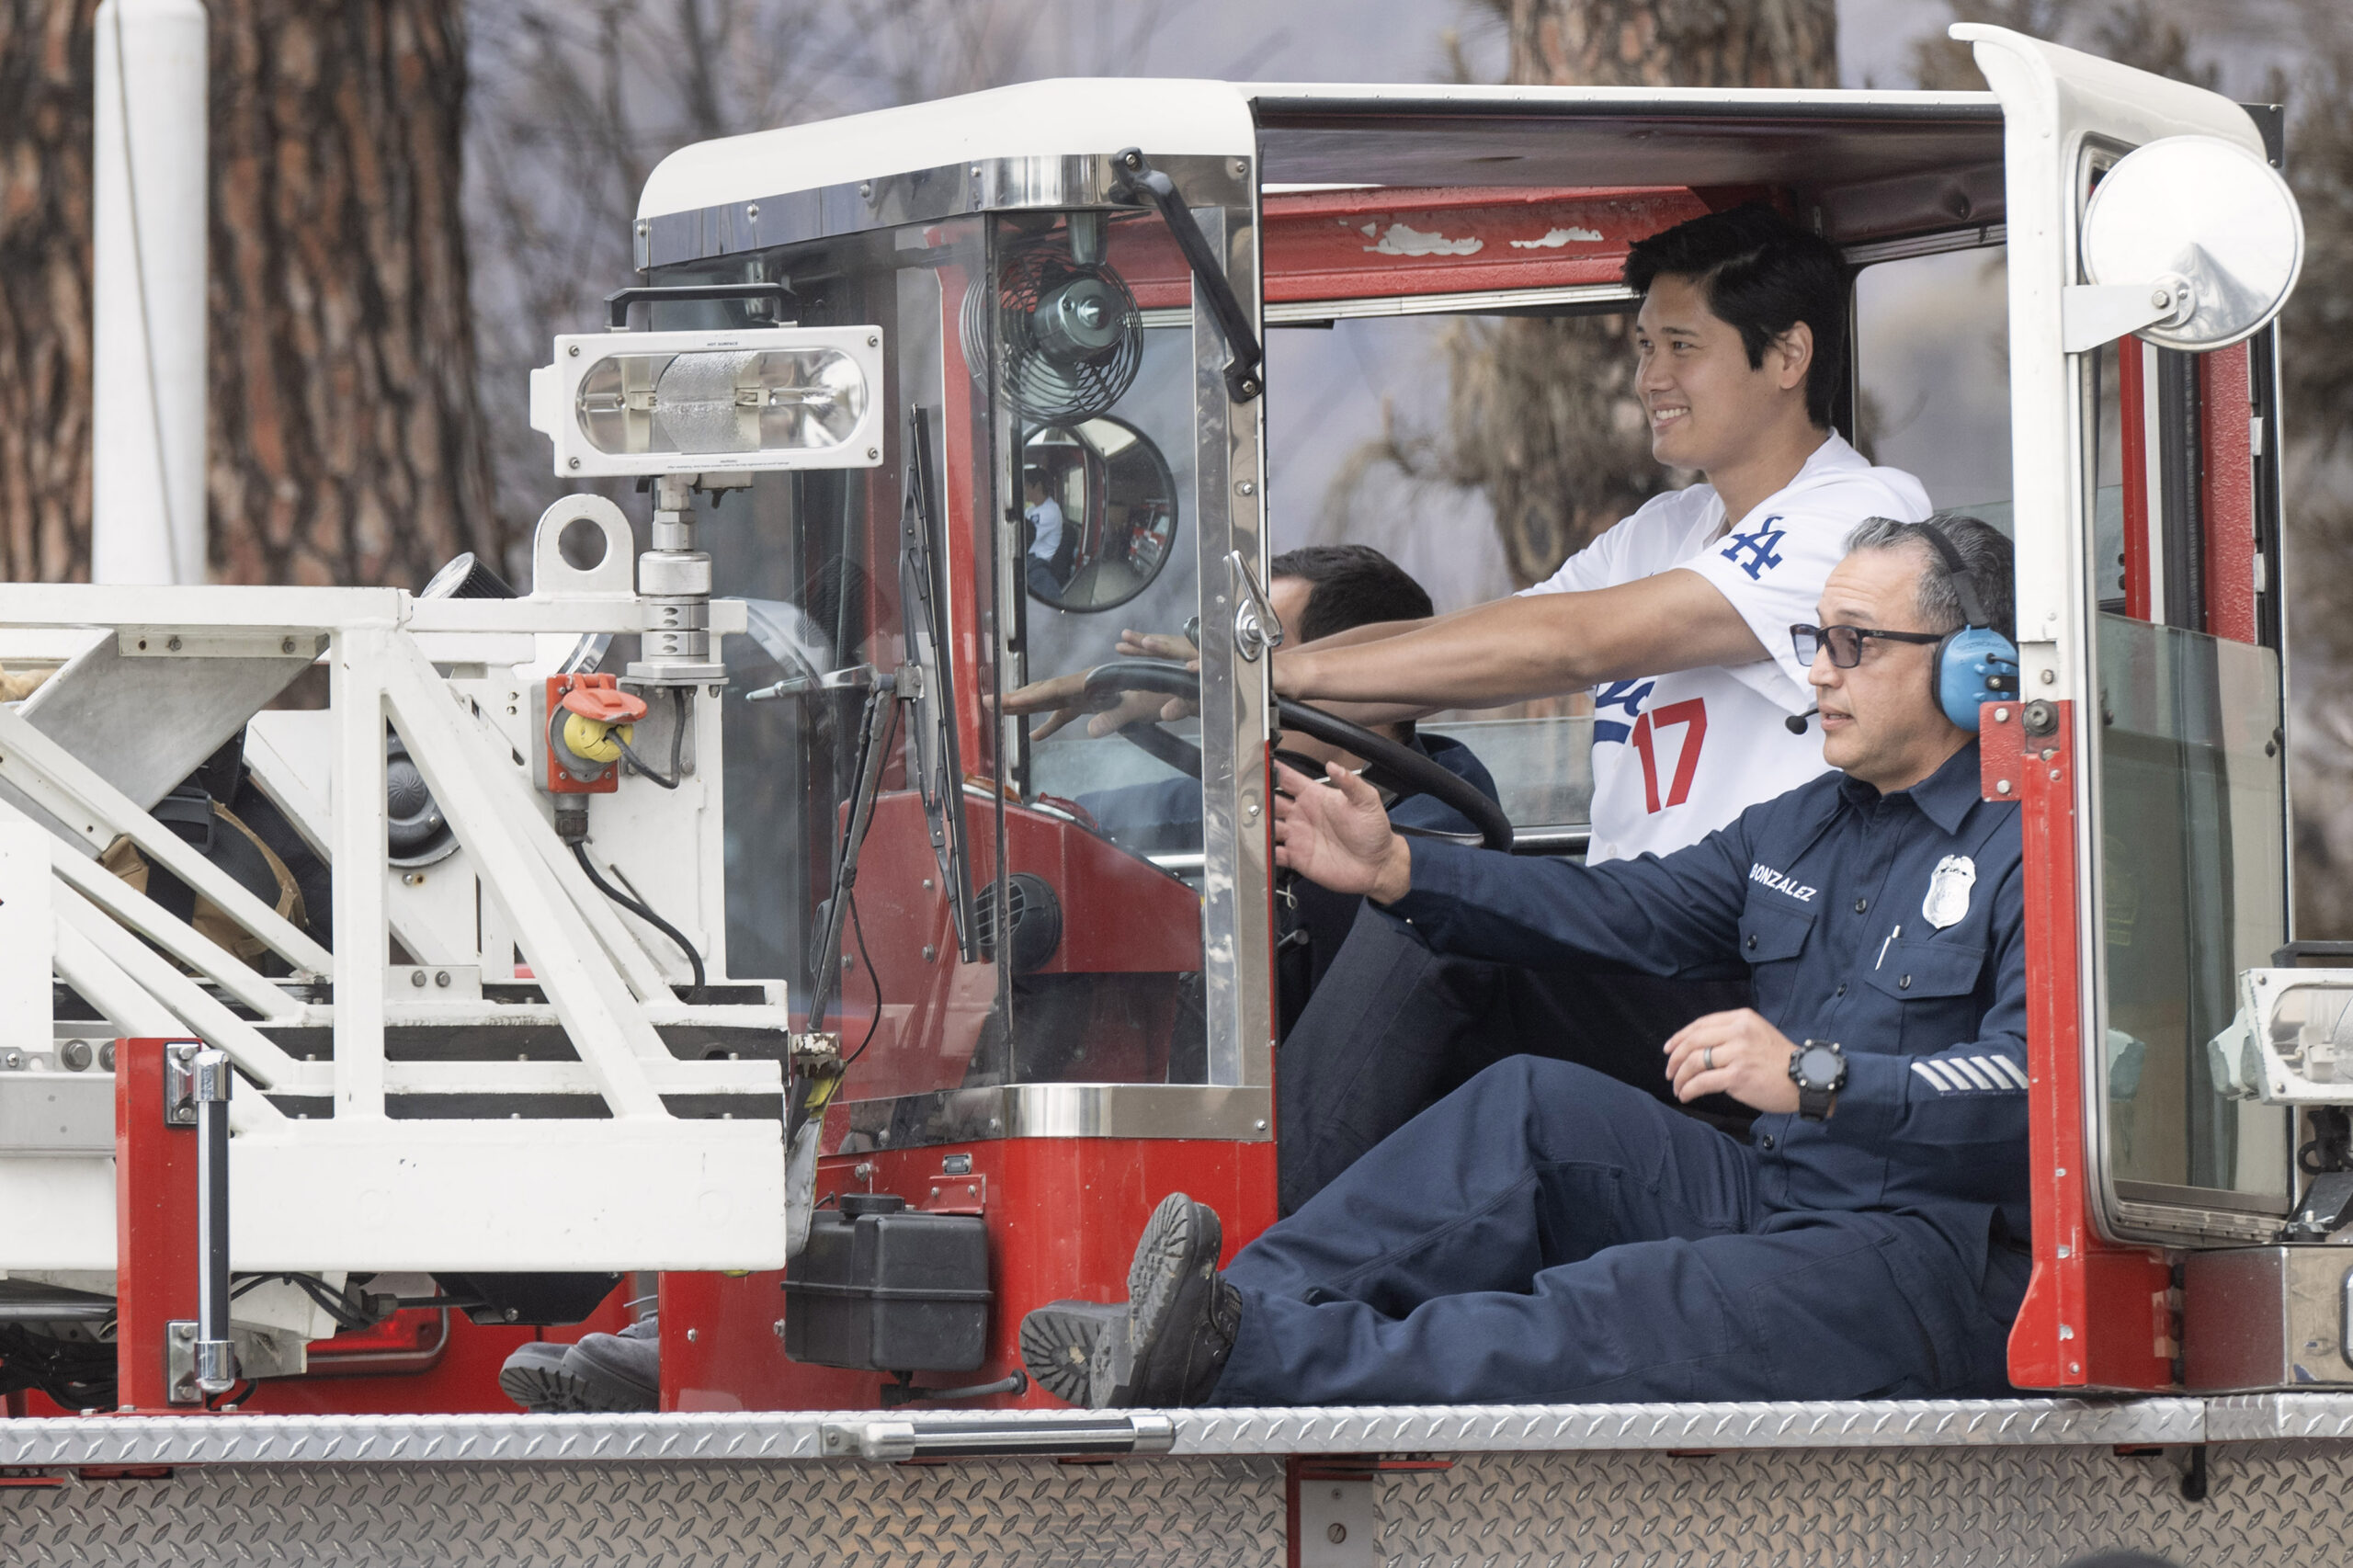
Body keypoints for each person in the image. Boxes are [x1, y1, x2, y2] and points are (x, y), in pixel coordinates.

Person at [1019, 516, 2029, 1410]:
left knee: (1612, 1304)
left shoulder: (2033, 839)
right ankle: (1214, 1312)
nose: (1816, 671)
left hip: (1920, 1256)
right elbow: (1616, 908)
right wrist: (1402, 868)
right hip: (1779, 1191)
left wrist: (1814, 1076)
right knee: (1527, 1107)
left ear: (1969, 665)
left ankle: (1254, 1353)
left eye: (1852, 643)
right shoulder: (1802, 826)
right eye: (1814, 639)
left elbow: (2035, 1078)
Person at [1252, 203, 1934, 1211]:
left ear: (1787, 354)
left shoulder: (1863, 521)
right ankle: (1314, 1281)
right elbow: (1466, 644)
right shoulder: (1668, 525)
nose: (1649, 377)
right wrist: (1235, 669)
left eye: (1682, 347)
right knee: (1374, 918)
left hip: (1753, 970)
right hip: (1633, 938)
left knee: (1438, 930)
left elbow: (1577, 642)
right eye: (1643, 346)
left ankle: (1235, 1271)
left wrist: (1286, 678)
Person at [1057, 545, 1502, 1037]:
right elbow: (1104, 820)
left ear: (1365, 679)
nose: (1234, 681)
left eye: (1261, 655)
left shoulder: (1443, 836)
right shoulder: (1260, 791)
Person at [1024, 469, 1071, 598]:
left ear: (1038, 487)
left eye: (1026, 485)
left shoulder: (1050, 511)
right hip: (1030, 559)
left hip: (1039, 565)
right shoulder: (1032, 509)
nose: (1024, 489)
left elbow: (1023, 538)